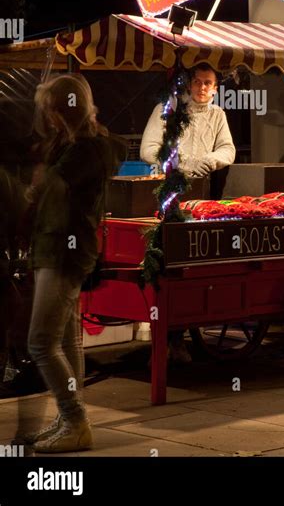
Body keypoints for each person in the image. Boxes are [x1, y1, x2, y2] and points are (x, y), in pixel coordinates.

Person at [24, 74, 125, 453]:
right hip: (62, 249)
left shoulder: (84, 150)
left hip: (64, 252)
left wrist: (33, 189)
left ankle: (75, 420)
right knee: (66, 341)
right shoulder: (78, 144)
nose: (47, 116)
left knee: (40, 342)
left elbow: (48, 194)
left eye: (50, 108)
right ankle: (70, 418)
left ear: (64, 108)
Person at [140, 63, 236, 362]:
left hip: (202, 199)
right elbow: (148, 149)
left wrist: (212, 159)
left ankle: (179, 336)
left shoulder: (218, 115)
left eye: (208, 83)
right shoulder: (167, 110)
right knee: (168, 263)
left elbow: (228, 150)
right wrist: (176, 164)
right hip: (168, 196)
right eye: (197, 81)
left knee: (192, 268)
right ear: (188, 84)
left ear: (216, 88)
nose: (202, 88)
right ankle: (164, 336)